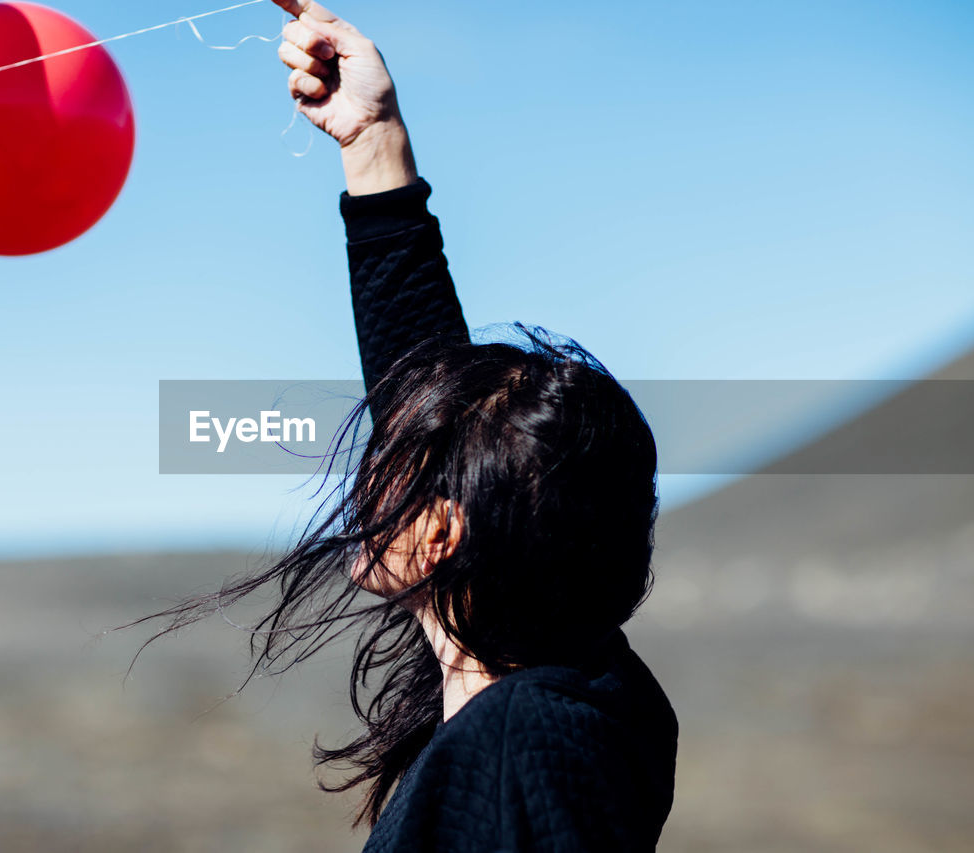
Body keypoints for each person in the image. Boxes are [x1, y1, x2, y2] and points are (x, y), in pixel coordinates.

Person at [127, 1, 679, 849]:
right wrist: (372, 142)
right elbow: (429, 392)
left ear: (442, 535)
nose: (370, 465)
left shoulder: (521, 743)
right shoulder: (568, 674)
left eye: (403, 456)